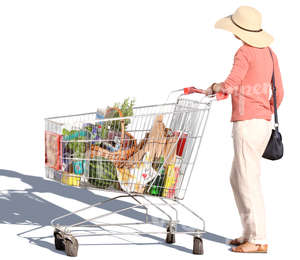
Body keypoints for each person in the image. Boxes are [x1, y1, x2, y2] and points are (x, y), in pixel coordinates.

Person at [206, 6, 284, 253]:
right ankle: (249, 233)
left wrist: (214, 87)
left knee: (248, 180)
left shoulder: (244, 53)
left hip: (247, 125)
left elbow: (230, 84)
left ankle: (258, 239)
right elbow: (279, 91)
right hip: (263, 124)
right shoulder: (270, 53)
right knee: (237, 178)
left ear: (240, 31)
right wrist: (265, 110)